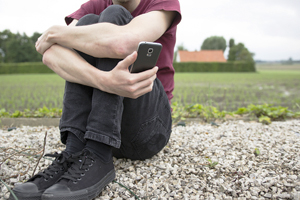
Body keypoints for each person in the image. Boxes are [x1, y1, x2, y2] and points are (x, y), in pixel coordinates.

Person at [10, 0, 181, 199]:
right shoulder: (93, 6)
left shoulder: (162, 2)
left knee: (114, 15)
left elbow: (122, 43)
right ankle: (74, 152)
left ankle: (99, 155)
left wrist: (55, 33)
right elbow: (50, 54)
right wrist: (105, 80)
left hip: (147, 129)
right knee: (88, 22)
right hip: (99, 133)